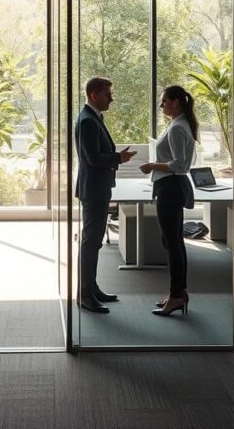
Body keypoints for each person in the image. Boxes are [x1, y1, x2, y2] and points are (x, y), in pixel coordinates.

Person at [75, 77, 136, 314]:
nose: (112, 98)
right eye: (108, 94)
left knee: (94, 242)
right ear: (93, 95)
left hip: (96, 187)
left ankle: (91, 288)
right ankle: (84, 294)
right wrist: (118, 158)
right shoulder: (88, 121)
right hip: (93, 189)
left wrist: (115, 157)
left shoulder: (93, 118)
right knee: (91, 243)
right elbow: (93, 159)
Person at [140, 85, 197, 317]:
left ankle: (175, 296)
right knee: (175, 242)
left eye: (164, 101)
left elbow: (179, 165)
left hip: (170, 187)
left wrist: (152, 165)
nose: (161, 105)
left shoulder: (176, 128)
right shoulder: (182, 124)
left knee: (172, 243)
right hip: (173, 187)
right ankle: (179, 293)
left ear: (176, 102)